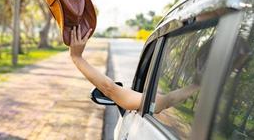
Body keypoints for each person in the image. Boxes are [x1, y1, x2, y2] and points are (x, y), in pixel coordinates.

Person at [69, 25, 202, 113]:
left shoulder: (156, 103)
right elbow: (170, 99)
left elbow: (110, 88)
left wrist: (77, 57)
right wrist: (198, 84)